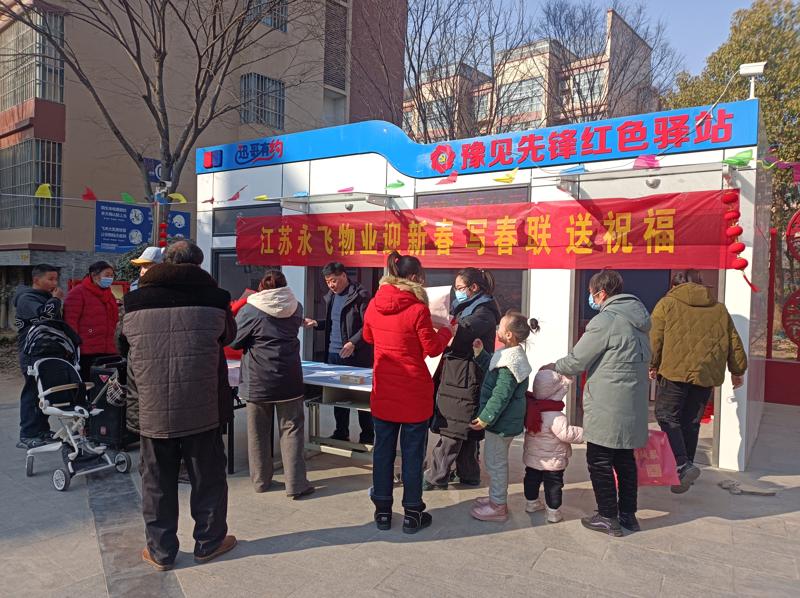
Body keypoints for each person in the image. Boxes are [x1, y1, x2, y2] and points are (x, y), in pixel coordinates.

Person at [121, 240, 237, 570]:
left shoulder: (134, 301)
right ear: (198, 264)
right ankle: (209, 542)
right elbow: (229, 336)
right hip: (203, 405)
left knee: (156, 480)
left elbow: (121, 344)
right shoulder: (216, 299)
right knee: (208, 476)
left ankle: (160, 552)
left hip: (152, 406)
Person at [548, 270, 651, 537]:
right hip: (632, 403)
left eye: (592, 295)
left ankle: (607, 516)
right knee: (624, 460)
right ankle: (628, 516)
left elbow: (578, 360)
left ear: (601, 294)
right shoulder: (639, 320)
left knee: (600, 460)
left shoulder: (606, 320)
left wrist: (555, 366)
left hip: (608, 403)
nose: (592, 300)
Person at [362, 251, 453, 534]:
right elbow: (432, 349)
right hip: (413, 393)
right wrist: (446, 331)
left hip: (383, 391)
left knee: (382, 453)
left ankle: (382, 512)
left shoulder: (374, 304)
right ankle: (412, 514)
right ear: (414, 277)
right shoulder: (417, 309)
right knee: (412, 455)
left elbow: (367, 336)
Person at [650, 269, 747, 493]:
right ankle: (686, 471)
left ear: (674, 286)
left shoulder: (666, 304)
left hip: (674, 371)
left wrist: (652, 364)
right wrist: (737, 370)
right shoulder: (719, 309)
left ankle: (682, 465)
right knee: (691, 421)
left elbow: (655, 337)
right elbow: (734, 341)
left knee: (666, 415)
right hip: (706, 374)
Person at [230, 270, 315, 499]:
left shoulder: (251, 309)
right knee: (292, 430)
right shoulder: (296, 307)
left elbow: (235, 341)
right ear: (285, 286)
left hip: (258, 381)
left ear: (261, 286)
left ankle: (261, 481)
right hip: (289, 379)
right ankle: (296, 484)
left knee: (258, 433)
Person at [425, 267, 500, 490]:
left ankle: (435, 476)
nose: (456, 292)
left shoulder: (484, 311)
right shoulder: (464, 307)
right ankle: (468, 473)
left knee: (453, 428)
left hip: (467, 376)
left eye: (460, 288)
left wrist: (443, 326)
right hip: (458, 374)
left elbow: (463, 331)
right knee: (466, 427)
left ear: (473, 287)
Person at [469, 312, 536, 523]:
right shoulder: (510, 354)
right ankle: (494, 498)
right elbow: (493, 367)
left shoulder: (510, 362)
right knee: (495, 461)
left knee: (495, 463)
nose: (497, 328)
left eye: (500, 326)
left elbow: (501, 393)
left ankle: (497, 506)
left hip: (501, 424)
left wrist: (485, 417)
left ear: (508, 334)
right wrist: (480, 353)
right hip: (504, 422)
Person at [304, 262, 374, 445]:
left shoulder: (360, 295)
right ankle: (341, 432)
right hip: (334, 355)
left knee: (361, 399)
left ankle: (367, 437)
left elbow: (369, 325)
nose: (331, 285)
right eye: (327, 282)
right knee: (338, 397)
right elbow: (335, 323)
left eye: (333, 280)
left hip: (356, 357)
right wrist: (317, 323)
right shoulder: (332, 297)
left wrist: (353, 342)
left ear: (344, 275)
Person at [523, 369, 584, 524]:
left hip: (533, 458)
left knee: (531, 480)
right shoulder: (555, 416)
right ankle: (553, 512)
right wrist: (585, 433)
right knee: (553, 485)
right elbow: (566, 434)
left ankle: (531, 503)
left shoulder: (531, 408)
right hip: (553, 460)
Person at [13, 264, 64, 449]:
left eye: (56, 279)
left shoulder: (46, 297)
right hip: (31, 352)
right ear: (36, 280)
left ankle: (42, 430)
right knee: (32, 393)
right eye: (50, 279)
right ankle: (27, 434)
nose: (54, 283)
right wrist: (56, 300)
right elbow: (45, 316)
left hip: (47, 351)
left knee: (44, 392)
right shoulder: (26, 298)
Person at [64, 260, 119, 379]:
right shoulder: (78, 293)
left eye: (112, 275)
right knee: (88, 384)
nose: (110, 278)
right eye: (107, 275)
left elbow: (114, 320)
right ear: (94, 275)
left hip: (108, 349)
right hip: (86, 351)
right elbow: (71, 322)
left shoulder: (109, 295)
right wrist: (74, 345)